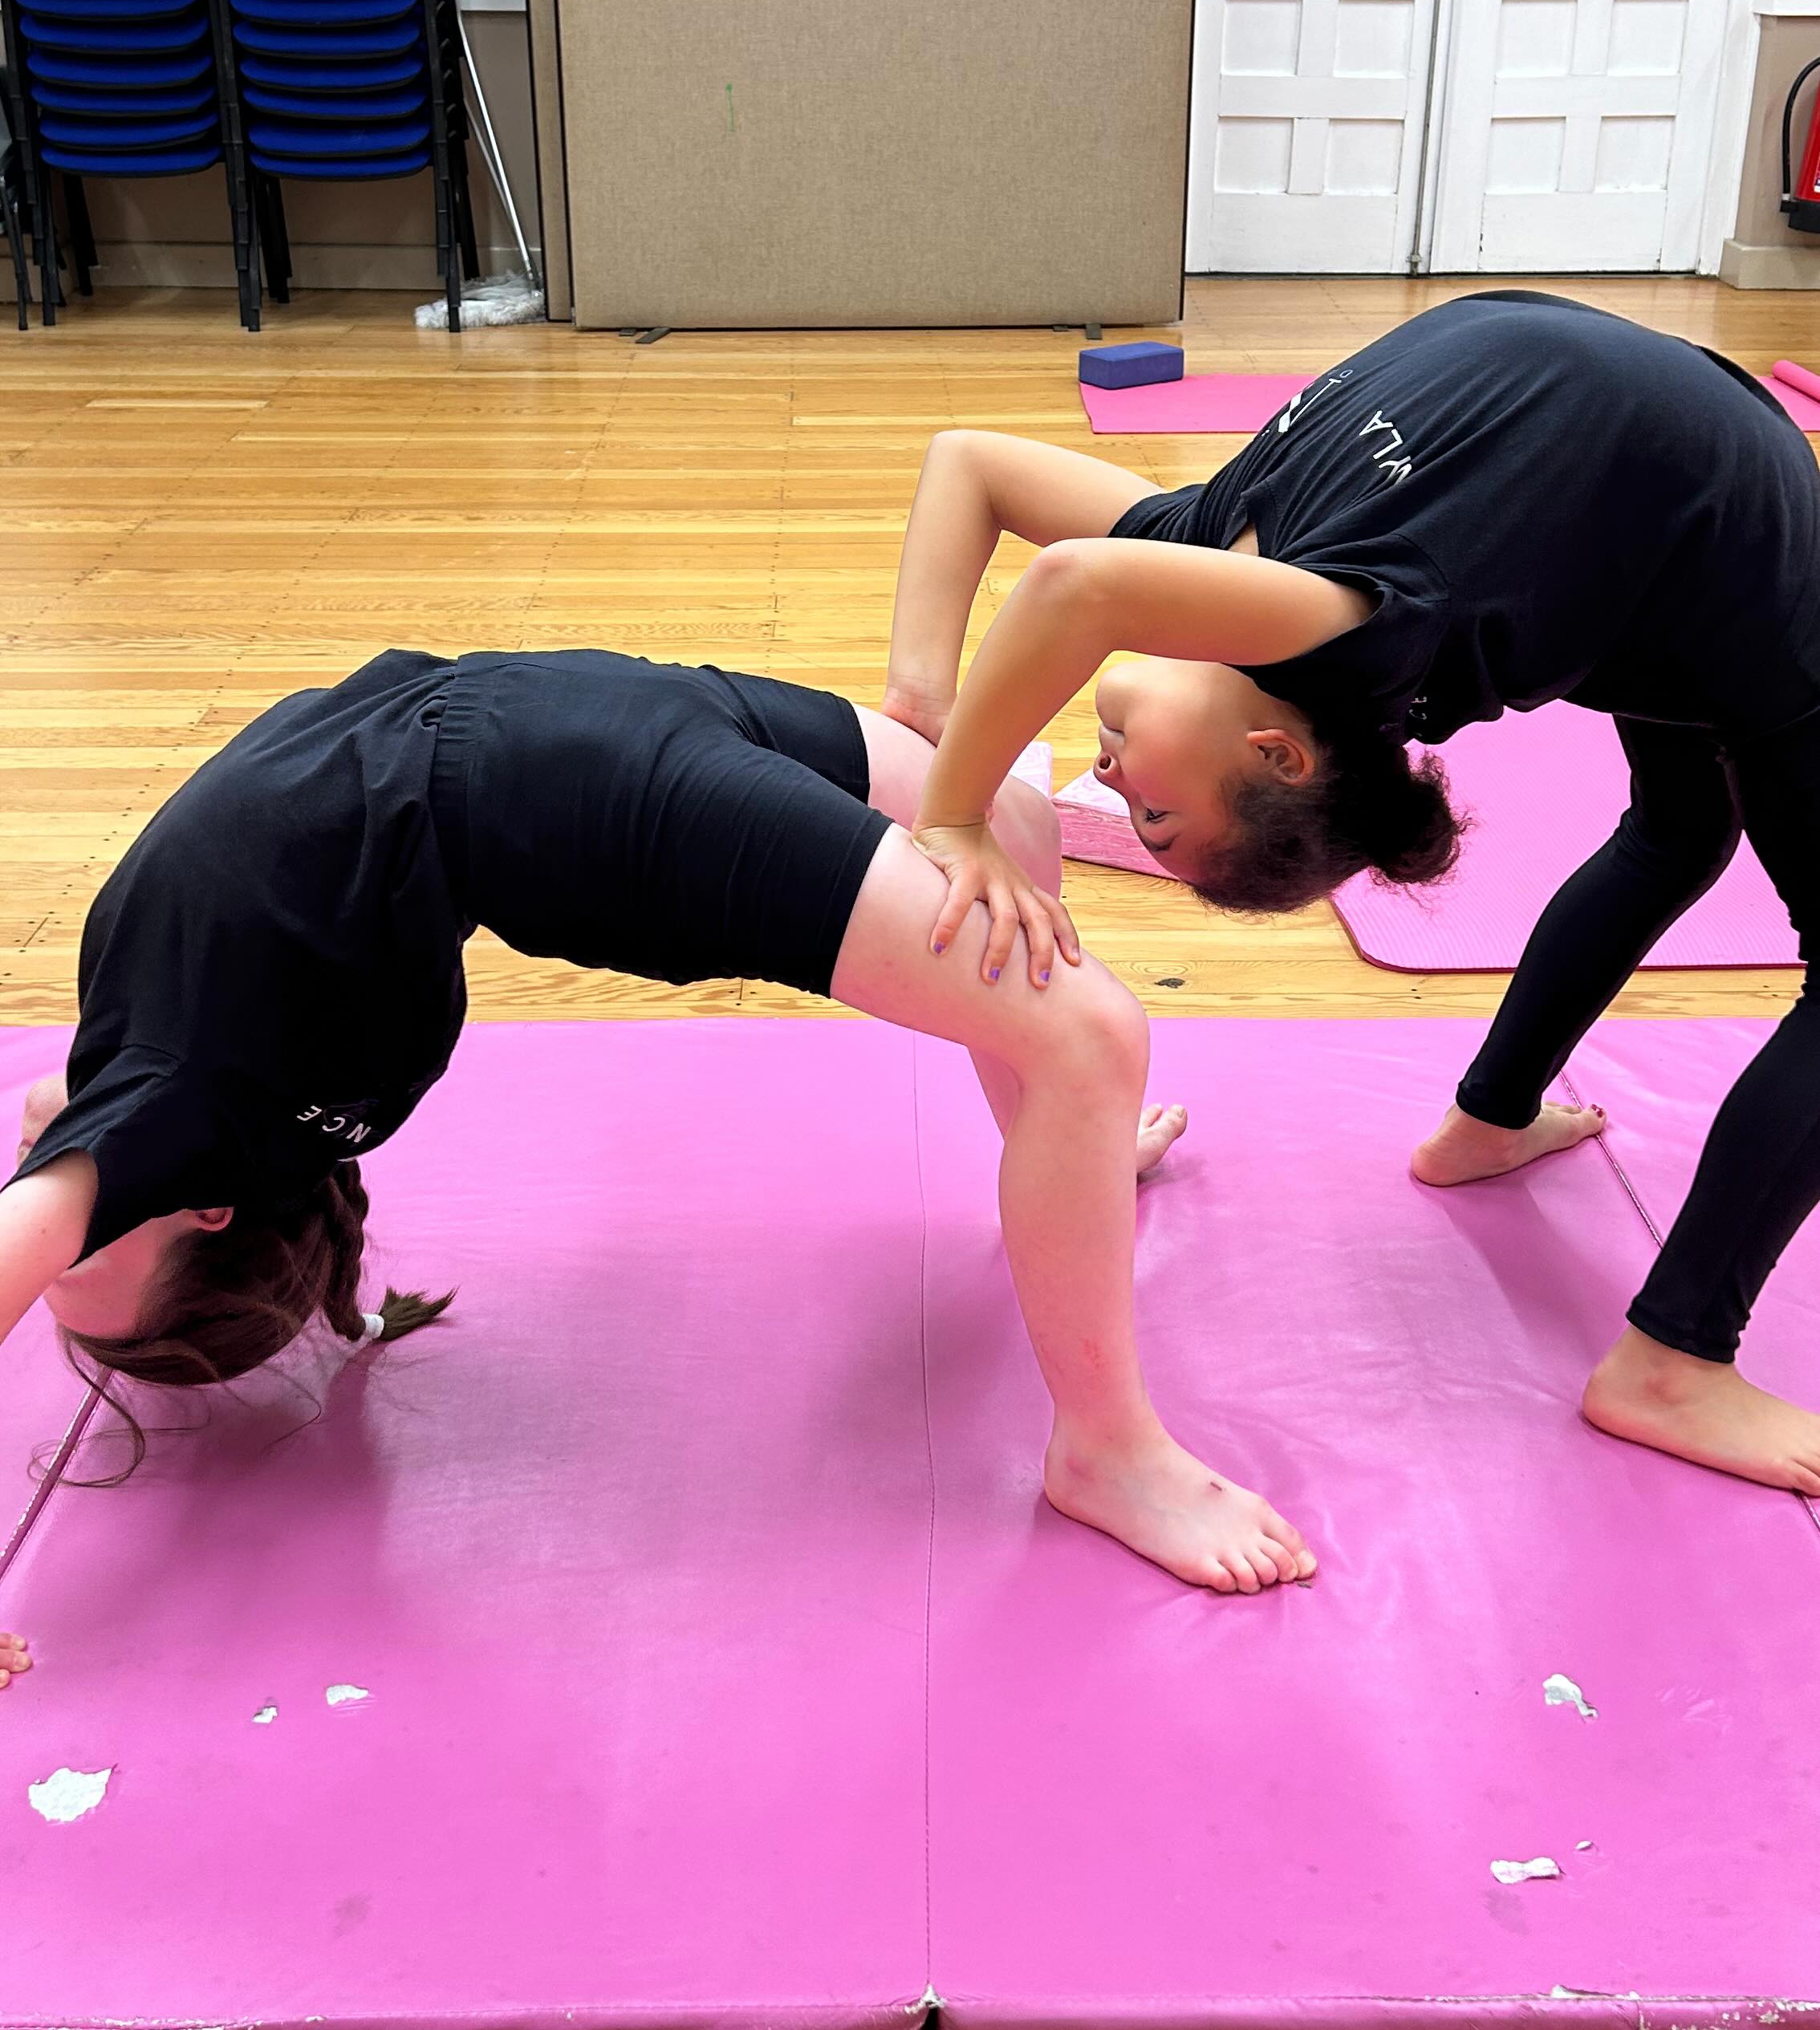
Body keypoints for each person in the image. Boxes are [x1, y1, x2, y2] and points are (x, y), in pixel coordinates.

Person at [0, 645, 1318, 1700]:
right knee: (1094, 1035)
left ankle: (1058, 1141)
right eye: (81, 1254)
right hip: (557, 777)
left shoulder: (186, 1078)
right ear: (197, 1206)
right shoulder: (175, 1104)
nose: (44, 1197)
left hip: (543, 708)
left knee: (1015, 831)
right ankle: (1107, 1450)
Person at [884, 289, 1820, 1504]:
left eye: (1148, 824)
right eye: (1152, 812)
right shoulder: (1276, 590)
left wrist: (944, 785)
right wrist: (929, 714)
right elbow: (983, 482)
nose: (1110, 781)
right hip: (1671, 516)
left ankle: (1673, 1350)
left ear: (1281, 756)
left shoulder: (1292, 602)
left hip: (1711, 516)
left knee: (1688, 825)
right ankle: (1508, 1145)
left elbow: (1047, 557)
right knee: (1686, 825)